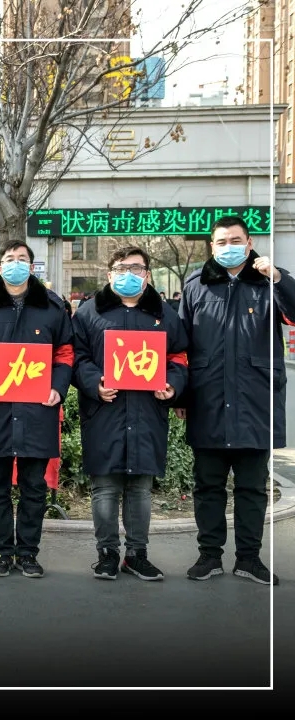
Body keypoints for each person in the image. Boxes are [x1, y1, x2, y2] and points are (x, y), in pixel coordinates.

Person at [177, 216, 295, 585]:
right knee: (207, 486)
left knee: (252, 488)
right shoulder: (196, 285)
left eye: (235, 240)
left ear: (249, 242)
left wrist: (277, 277)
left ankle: (249, 558)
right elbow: (181, 345)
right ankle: (209, 556)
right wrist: (181, 394)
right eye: (221, 241)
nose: (229, 247)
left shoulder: (269, 281)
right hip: (208, 401)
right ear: (211, 246)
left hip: (255, 402)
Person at [71, 247, 189, 581]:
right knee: (105, 488)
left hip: (147, 412)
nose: (129, 274)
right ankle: (107, 553)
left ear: (147, 275)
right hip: (104, 412)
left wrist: (173, 384)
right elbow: (75, 357)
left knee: (140, 489)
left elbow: (179, 357)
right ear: (109, 274)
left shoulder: (164, 315)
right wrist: (95, 382)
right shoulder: (89, 313)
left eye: (136, 268)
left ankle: (137, 554)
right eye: (122, 268)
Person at [0, 239, 74, 579]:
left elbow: (65, 354)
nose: (16, 263)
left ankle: (27, 552)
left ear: (32, 266)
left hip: (37, 410)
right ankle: (1, 552)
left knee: (33, 486)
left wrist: (58, 387)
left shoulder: (52, 307)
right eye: (9, 259)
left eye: (22, 259)